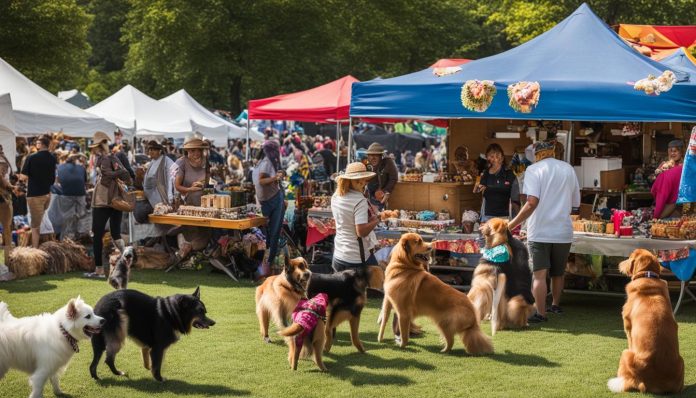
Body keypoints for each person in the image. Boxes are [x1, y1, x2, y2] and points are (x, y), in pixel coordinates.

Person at [508, 140, 580, 323]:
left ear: (537, 155)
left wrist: (512, 224)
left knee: (539, 274)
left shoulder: (533, 170)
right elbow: (575, 204)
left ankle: (541, 313)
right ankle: (555, 305)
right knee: (558, 273)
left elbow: (531, 203)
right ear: (553, 152)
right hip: (563, 230)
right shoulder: (568, 169)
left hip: (540, 230)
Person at [87, 131, 132, 278]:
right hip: (115, 200)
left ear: (99, 147)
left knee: (97, 233)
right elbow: (126, 174)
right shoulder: (113, 157)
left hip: (103, 201)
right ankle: (127, 262)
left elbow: (120, 174)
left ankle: (99, 270)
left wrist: (108, 174)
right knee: (115, 233)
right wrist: (115, 174)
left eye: (94, 147)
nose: (92, 150)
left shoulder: (104, 159)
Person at [331, 162, 380, 271]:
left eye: (364, 179)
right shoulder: (359, 201)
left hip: (339, 254)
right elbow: (361, 231)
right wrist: (377, 220)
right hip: (356, 258)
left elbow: (346, 220)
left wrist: (368, 220)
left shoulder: (336, 196)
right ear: (350, 181)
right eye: (359, 180)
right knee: (377, 283)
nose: (363, 183)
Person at [252, 140, 284, 277]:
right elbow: (261, 181)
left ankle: (268, 264)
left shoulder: (261, 162)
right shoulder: (265, 162)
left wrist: (275, 179)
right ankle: (267, 264)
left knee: (271, 233)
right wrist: (275, 177)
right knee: (271, 233)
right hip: (271, 200)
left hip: (271, 199)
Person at [19, 134, 57, 248]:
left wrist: (20, 177)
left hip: (34, 195)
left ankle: (35, 250)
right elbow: (52, 178)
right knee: (40, 221)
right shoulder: (52, 158)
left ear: (40, 144)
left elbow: (23, 177)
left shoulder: (31, 157)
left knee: (35, 226)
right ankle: (43, 244)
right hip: (47, 194)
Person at [475, 143, 521, 222]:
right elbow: (478, 192)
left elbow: (515, 199)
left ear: (502, 158)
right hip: (487, 217)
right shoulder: (485, 174)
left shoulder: (509, 175)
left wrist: (520, 221)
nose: (494, 159)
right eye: (491, 156)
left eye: (497, 156)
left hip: (505, 217)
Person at [53, 153, 88, 240]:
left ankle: (67, 237)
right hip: (80, 193)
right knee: (81, 214)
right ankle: (81, 234)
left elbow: (57, 181)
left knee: (67, 215)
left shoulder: (59, 167)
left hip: (66, 193)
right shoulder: (81, 167)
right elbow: (84, 181)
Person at [651, 140, 685, 219]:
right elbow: (655, 180)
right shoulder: (664, 164)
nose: (672, 153)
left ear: (681, 152)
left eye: (675, 151)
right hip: (665, 199)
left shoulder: (684, 165)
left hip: (677, 201)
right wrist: (657, 174)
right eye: (670, 151)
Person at [174, 138, 209, 206]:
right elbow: (177, 186)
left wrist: (203, 185)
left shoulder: (205, 161)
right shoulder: (182, 162)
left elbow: (207, 184)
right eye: (193, 150)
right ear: (188, 151)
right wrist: (190, 189)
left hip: (203, 203)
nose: (196, 153)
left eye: (199, 150)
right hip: (186, 203)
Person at [365, 143, 398, 210]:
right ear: (368, 156)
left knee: (379, 214)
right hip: (367, 195)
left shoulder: (388, 162)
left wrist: (386, 191)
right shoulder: (365, 163)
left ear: (381, 156)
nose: (373, 158)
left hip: (380, 195)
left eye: (376, 155)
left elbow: (393, 178)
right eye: (371, 155)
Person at [144, 140, 174, 208]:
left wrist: (170, 196)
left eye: (153, 150)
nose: (151, 152)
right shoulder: (152, 161)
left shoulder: (167, 161)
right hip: (150, 197)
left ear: (159, 151)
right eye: (150, 150)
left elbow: (171, 179)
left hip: (162, 196)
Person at [0, 145, 14, 255]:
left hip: (4, 197)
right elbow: (3, 179)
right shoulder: (3, 160)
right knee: (6, 227)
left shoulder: (3, 159)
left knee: (7, 227)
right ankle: (8, 254)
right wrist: (12, 188)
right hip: (3, 198)